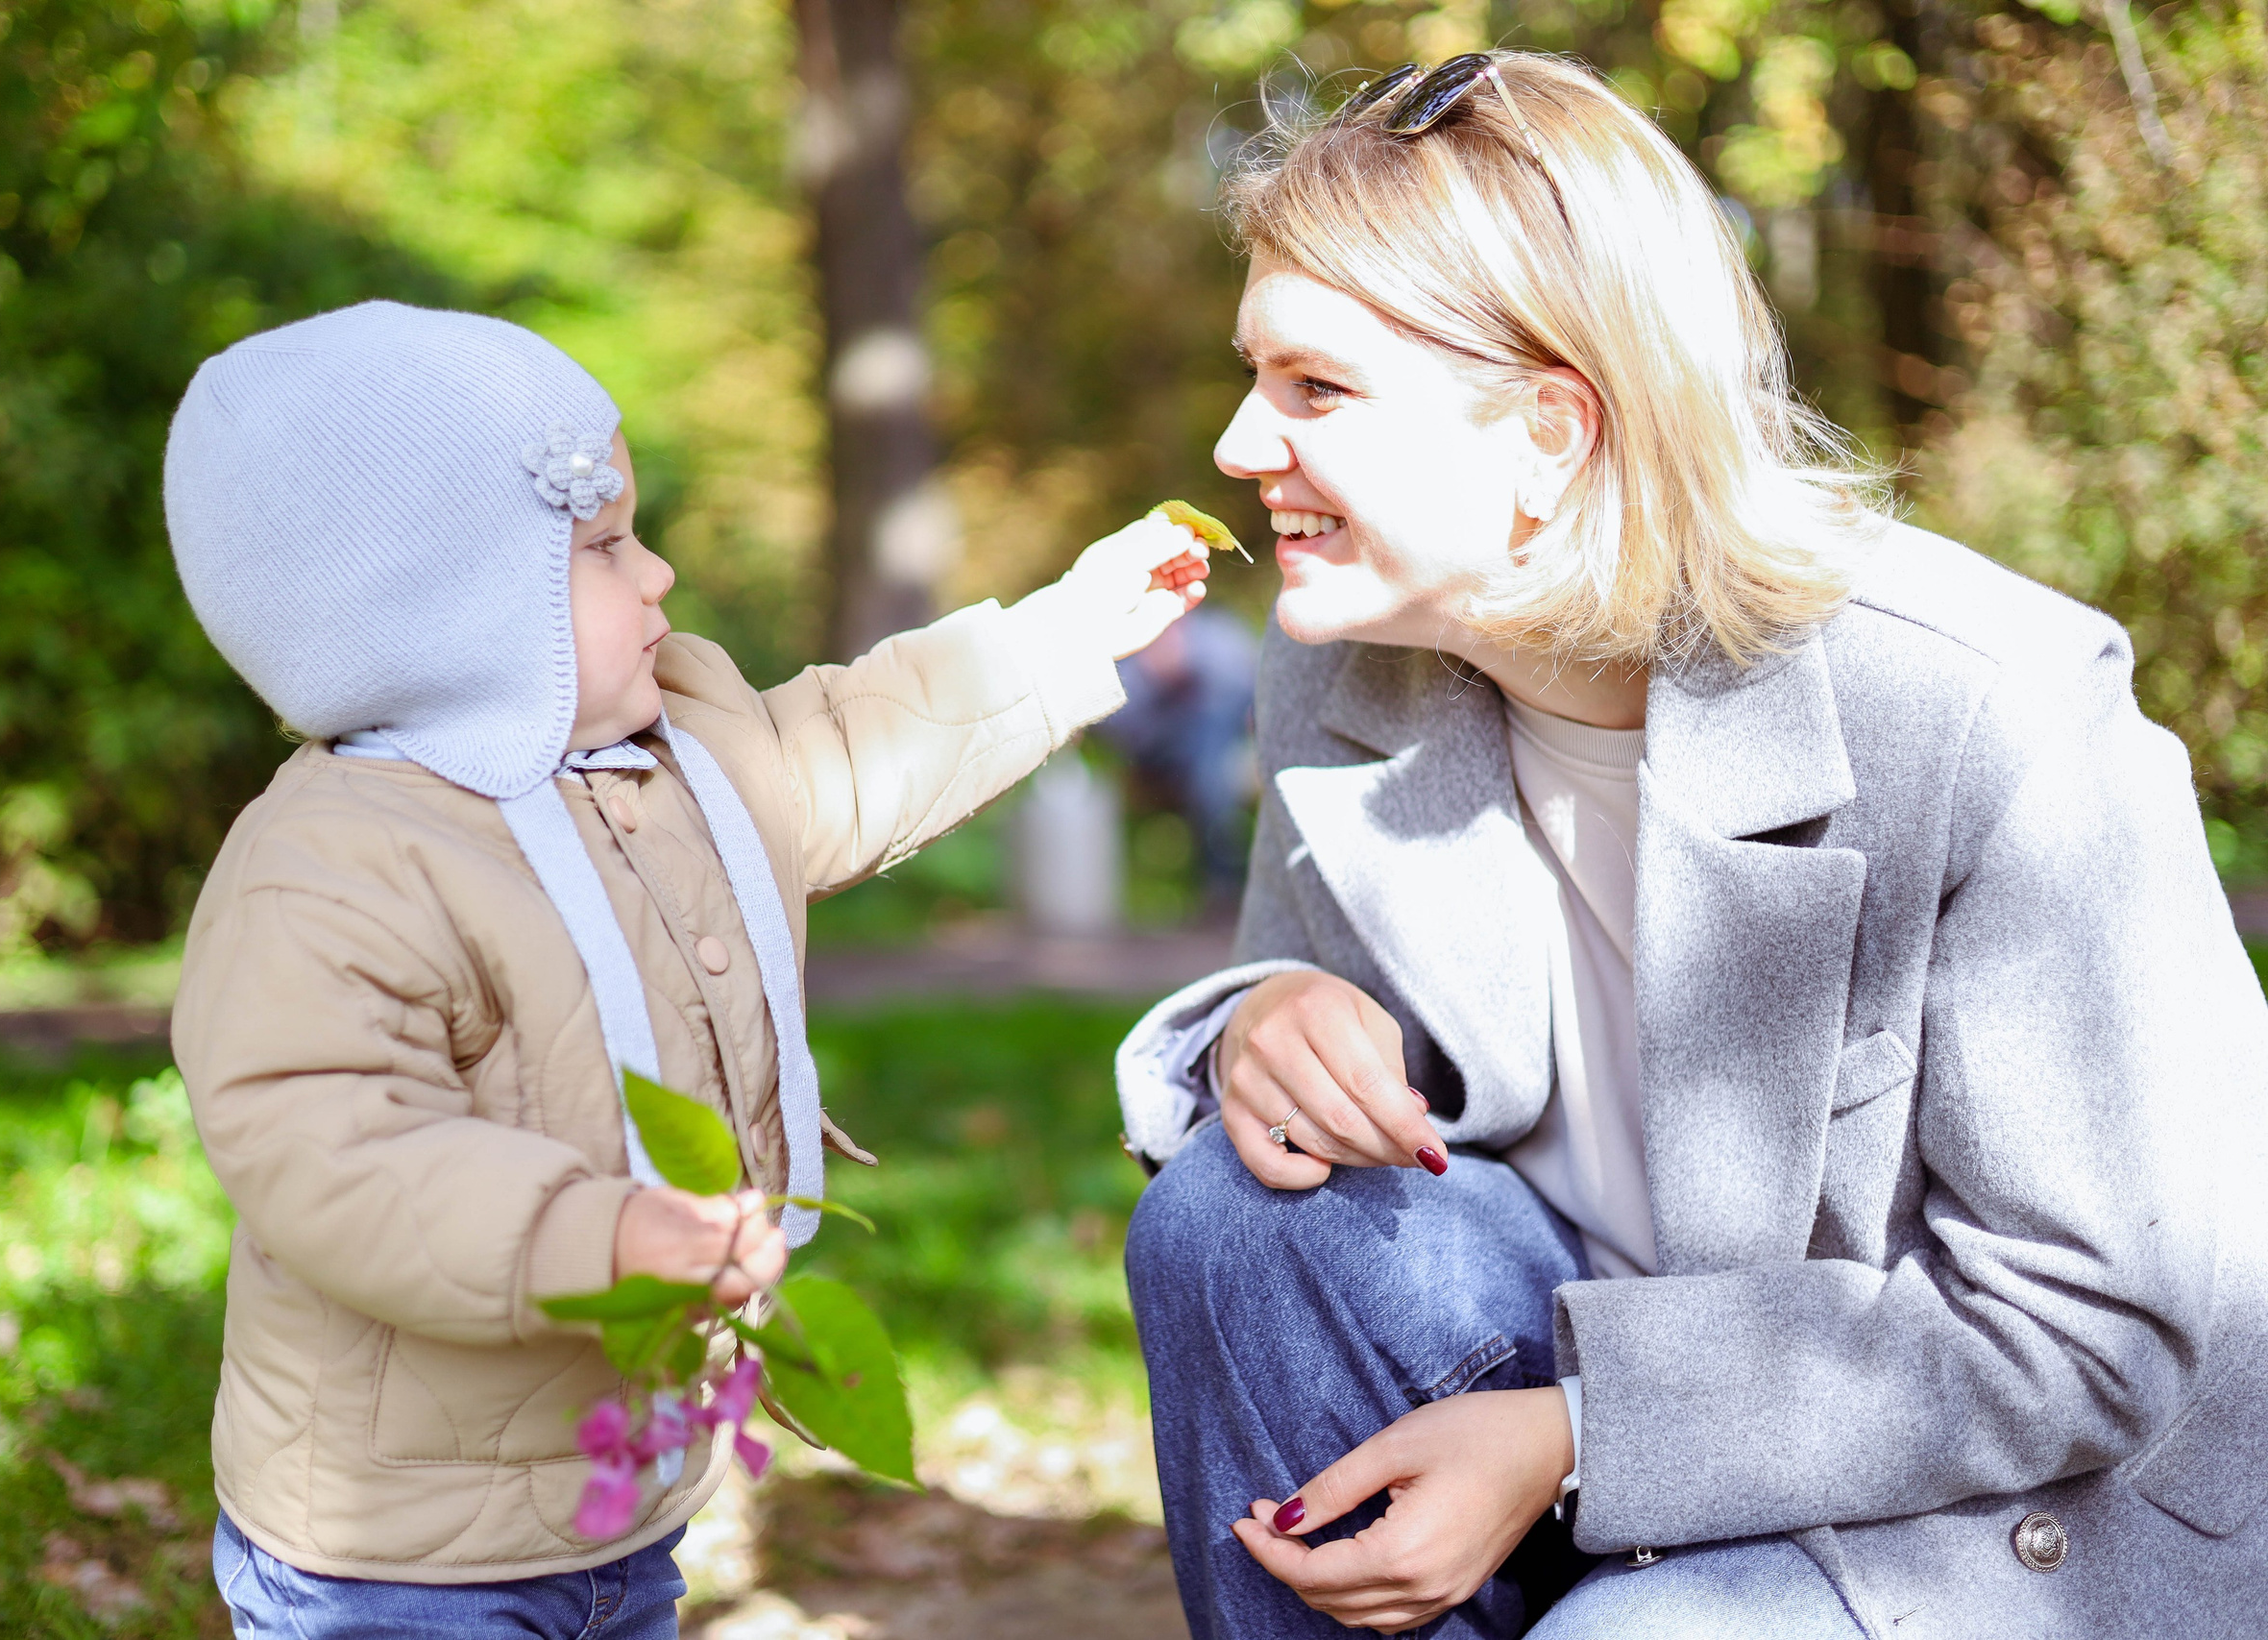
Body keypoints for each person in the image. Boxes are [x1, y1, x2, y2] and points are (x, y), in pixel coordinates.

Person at [1113, 51, 2267, 1639]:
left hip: (2003, 1507)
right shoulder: (1350, 660)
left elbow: (2092, 1331)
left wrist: (1582, 1436)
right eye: (1257, 376)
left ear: (1551, 432)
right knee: (1235, 1224)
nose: (1242, 444)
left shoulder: (1985, 712)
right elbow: (1321, 1032)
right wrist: (1260, 1021)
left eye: (1316, 390)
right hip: (1596, 1383)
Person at [160, 300, 1208, 1637]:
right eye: (603, 548)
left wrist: (1063, 636)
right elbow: (333, 1141)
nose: (657, 574)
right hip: (398, 1547)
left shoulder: (687, 747)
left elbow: (855, 740)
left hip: (622, 1497)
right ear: (445, 613)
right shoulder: (342, 861)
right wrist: (594, 1230)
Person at [1098, 604, 1261, 901]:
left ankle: (1223, 882)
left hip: (1223, 748)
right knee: (1208, 761)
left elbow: (1249, 694)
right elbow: (1120, 729)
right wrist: (1155, 680)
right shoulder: (1130, 653)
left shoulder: (1217, 636)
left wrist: (1193, 670)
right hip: (1160, 758)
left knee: (1209, 744)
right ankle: (1225, 879)